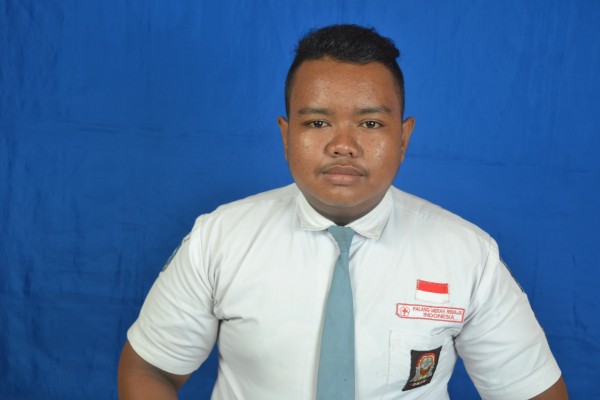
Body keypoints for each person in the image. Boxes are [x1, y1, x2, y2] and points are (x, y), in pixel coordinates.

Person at [118, 24, 568, 399]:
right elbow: (150, 369)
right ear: (286, 135)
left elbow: (533, 392)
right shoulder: (219, 238)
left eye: (370, 123)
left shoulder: (468, 254)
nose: (343, 145)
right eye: (317, 122)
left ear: (404, 137)